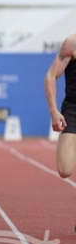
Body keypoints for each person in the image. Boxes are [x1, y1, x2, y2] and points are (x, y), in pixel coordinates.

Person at [44, 34, 76, 215]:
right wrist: (54, 111)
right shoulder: (71, 43)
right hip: (73, 110)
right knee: (65, 169)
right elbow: (50, 77)